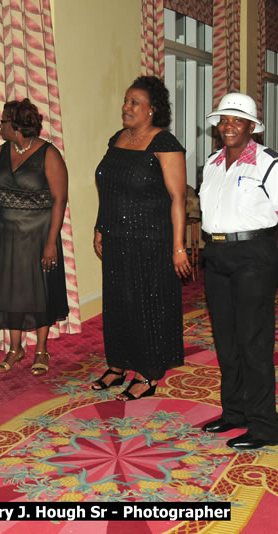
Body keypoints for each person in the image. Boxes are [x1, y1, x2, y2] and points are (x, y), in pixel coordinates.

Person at [198, 93, 278, 450]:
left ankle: (265, 427)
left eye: (237, 120)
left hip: (254, 254)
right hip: (216, 254)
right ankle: (235, 413)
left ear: (252, 127)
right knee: (226, 342)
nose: (229, 126)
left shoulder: (270, 163)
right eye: (224, 119)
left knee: (253, 343)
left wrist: (267, 252)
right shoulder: (211, 163)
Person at [91, 75, 191, 401]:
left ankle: (148, 372)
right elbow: (108, 188)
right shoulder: (118, 138)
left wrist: (179, 247)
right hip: (118, 237)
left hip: (151, 239)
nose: (126, 107)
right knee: (118, 303)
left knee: (147, 305)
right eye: (126, 100)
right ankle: (118, 364)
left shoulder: (165, 143)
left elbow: (178, 199)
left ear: (152, 110)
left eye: (135, 102)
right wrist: (100, 226)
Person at [0, 99, 69, 376]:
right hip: (6, 233)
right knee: (10, 291)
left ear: (16, 126)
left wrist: (51, 242)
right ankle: (15, 348)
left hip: (39, 234)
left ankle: (41, 349)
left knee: (39, 291)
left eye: (3, 122)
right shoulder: (0, 153)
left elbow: (60, 199)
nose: (0, 126)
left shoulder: (49, 154)